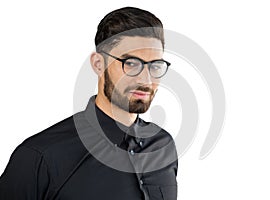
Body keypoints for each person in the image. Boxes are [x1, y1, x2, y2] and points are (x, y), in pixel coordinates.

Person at [0, 6, 178, 200]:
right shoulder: (40, 156)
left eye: (155, 65)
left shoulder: (163, 146)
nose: (146, 79)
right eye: (132, 63)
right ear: (98, 64)